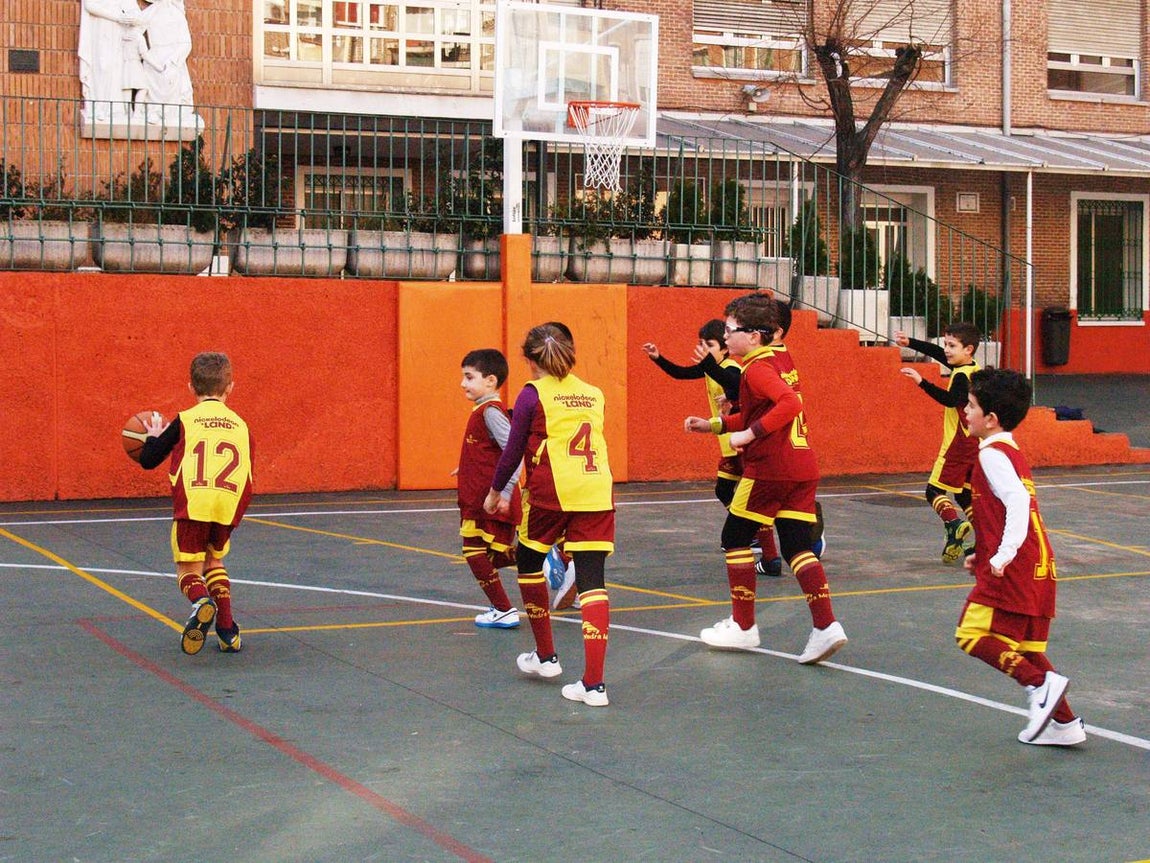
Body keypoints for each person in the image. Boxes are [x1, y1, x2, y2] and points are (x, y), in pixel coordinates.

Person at [685, 294, 846, 664]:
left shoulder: (755, 369)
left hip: (771, 468)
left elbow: (790, 405)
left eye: (730, 330)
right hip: (802, 466)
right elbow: (761, 410)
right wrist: (713, 424)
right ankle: (826, 626)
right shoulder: (779, 359)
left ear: (754, 336)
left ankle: (743, 627)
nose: (725, 337)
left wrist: (750, 434)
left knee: (734, 537)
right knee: (796, 547)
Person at [485, 323, 615, 707]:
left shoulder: (532, 394)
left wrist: (496, 493)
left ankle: (546, 656)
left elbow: (512, 452)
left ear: (529, 360)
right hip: (596, 490)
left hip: (552, 491)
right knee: (594, 582)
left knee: (528, 560)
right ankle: (594, 685)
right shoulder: (594, 394)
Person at [957, 368, 1084, 745]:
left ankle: (1039, 686)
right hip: (1039, 564)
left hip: (1015, 565)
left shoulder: (992, 454)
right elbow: (1003, 511)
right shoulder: (1010, 450)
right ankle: (1065, 725)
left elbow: (1017, 501)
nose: (965, 411)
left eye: (971, 405)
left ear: (991, 419)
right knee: (1027, 649)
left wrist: (1002, 555)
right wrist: (983, 552)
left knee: (970, 634)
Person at [139, 352, 253, 655]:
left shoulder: (185, 421)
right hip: (228, 506)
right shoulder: (241, 425)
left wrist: (152, 437)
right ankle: (228, 633)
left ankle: (202, 602)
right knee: (214, 561)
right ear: (230, 387)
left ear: (191, 387)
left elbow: (149, 460)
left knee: (188, 568)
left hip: (194, 503)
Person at [894, 321, 981, 563]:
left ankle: (953, 524)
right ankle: (984, 539)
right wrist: (910, 343)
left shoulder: (962, 378)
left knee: (933, 491)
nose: (947, 350)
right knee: (964, 495)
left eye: (952, 345)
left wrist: (921, 382)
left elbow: (950, 399)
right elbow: (938, 355)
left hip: (957, 444)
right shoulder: (972, 368)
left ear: (969, 349)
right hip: (974, 444)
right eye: (946, 344)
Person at [454, 348, 522, 629]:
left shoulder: (491, 412)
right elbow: (488, 452)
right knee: (489, 555)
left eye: (469, 377)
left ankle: (504, 609)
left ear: (491, 381)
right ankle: (543, 558)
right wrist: (467, 466)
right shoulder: (482, 411)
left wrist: (504, 494)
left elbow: (513, 454)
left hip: (490, 501)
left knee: (473, 551)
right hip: (479, 499)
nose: (463, 383)